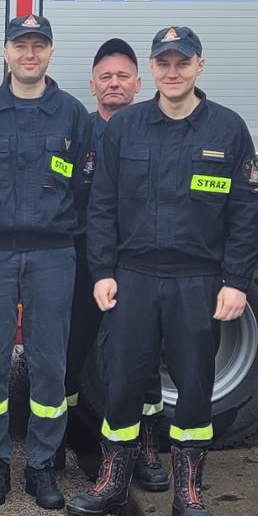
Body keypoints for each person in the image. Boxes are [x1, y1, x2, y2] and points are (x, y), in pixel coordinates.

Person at [67, 25, 258, 516]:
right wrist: (102, 271)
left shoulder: (227, 129)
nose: (173, 72)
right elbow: (101, 206)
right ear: (151, 69)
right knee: (123, 381)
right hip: (134, 276)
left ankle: (189, 491)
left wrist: (237, 281)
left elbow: (245, 213)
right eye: (164, 63)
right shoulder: (125, 127)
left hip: (197, 280)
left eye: (182, 62)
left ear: (200, 65)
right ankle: (113, 480)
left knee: (194, 384)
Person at [0, 13, 92, 510]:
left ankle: (41, 465)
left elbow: (86, 187)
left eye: (38, 45)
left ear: (51, 52)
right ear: (6, 52)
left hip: (53, 253)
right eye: (20, 45)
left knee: (49, 363)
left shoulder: (72, 115)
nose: (29, 54)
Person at [63, 39, 147, 484]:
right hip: (81, 259)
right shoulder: (78, 131)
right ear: (92, 85)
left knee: (136, 356)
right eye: (105, 76)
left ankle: (142, 449)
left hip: (135, 261)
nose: (114, 83)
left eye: (122, 76)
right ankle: (75, 439)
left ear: (139, 83)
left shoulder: (153, 128)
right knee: (73, 352)